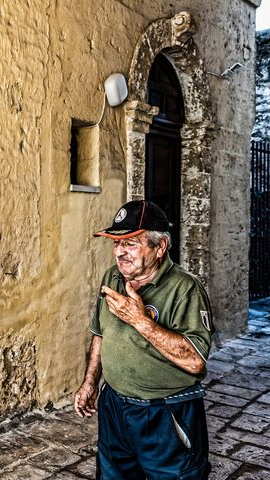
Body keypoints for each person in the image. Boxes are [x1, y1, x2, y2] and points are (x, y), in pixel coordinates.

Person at [73, 200, 213, 479]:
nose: (119, 253)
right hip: (114, 407)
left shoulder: (185, 289)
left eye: (131, 244)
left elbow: (196, 362)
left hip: (165, 412)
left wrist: (139, 320)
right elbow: (100, 333)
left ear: (160, 247)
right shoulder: (113, 276)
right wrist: (90, 382)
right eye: (116, 243)